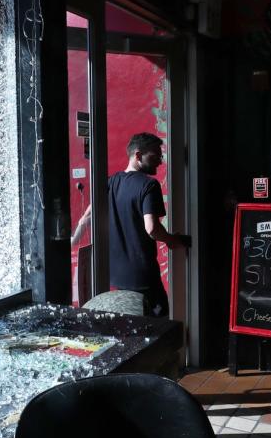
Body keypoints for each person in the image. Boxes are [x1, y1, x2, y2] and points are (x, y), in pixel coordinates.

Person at [72, 132, 191, 317]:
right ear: (137, 155)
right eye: (155, 155)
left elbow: (87, 216)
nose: (160, 161)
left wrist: (72, 242)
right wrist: (171, 239)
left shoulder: (111, 182)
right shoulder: (149, 186)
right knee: (161, 324)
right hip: (143, 275)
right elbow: (151, 228)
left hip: (117, 275)